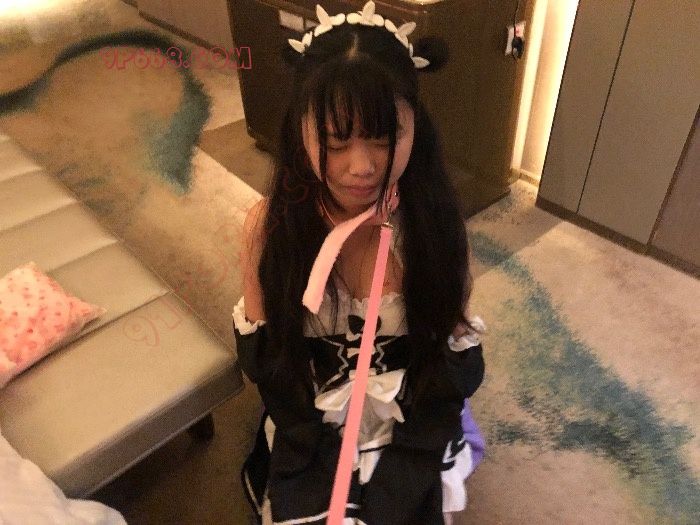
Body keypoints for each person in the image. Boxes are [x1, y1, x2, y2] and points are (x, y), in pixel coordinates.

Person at [232, 2, 486, 523]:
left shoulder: (434, 226)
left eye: (384, 138)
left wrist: (406, 466)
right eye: (336, 140)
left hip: (411, 419)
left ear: (416, 129)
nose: (362, 166)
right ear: (300, 130)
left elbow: (446, 368)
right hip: (311, 423)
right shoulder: (269, 229)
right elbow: (273, 372)